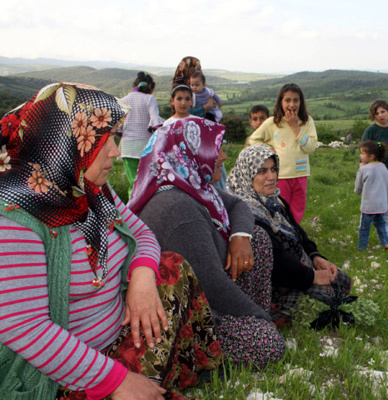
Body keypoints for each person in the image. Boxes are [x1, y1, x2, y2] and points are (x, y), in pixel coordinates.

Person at [0, 83, 222, 400]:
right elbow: (25, 327)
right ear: (67, 143)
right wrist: (117, 381)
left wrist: (142, 278)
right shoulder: (14, 218)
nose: (116, 152)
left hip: (119, 332)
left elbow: (143, 234)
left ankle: (178, 366)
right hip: (66, 372)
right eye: (105, 141)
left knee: (170, 265)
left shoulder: (88, 189)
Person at [128, 117, 285, 368]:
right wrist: (260, 317)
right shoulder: (178, 207)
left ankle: (253, 318)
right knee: (267, 344)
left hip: (210, 293)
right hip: (194, 315)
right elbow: (211, 286)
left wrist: (240, 237)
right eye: (215, 149)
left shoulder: (193, 186)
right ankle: (201, 360)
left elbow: (237, 204)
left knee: (258, 239)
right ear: (190, 153)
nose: (223, 157)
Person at [228, 146, 352, 326]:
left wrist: (315, 257)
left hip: (298, 268)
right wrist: (311, 277)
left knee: (343, 281)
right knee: (329, 301)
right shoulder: (245, 211)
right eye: (262, 171)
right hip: (277, 283)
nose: (271, 177)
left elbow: (299, 233)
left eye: (273, 169)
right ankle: (277, 315)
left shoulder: (276, 200)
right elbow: (275, 262)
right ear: (247, 174)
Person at [248, 83, 318, 224]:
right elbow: (253, 139)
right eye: (287, 100)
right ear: (280, 102)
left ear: (301, 102)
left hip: (300, 174)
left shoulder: (306, 121)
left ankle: (295, 234)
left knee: (297, 210)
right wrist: (267, 149)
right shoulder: (273, 122)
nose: (291, 104)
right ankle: (282, 235)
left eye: (295, 100)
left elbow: (310, 147)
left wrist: (294, 126)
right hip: (281, 175)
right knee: (280, 208)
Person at [361, 99, 388, 235]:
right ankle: (364, 236)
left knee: (386, 208)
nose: (380, 115)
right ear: (373, 116)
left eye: (383, 111)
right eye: (377, 113)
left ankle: (383, 238)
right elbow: (363, 153)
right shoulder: (371, 131)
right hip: (374, 177)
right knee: (370, 209)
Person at [119, 71, 164, 198]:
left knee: (133, 184)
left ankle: (132, 211)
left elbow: (117, 125)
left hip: (127, 148)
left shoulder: (123, 101)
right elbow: (155, 120)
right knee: (147, 183)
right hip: (145, 147)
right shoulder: (150, 99)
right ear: (150, 87)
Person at [354, 140, 388, 251]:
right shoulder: (383, 167)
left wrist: (360, 168)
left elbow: (357, 189)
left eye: (362, 153)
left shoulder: (364, 169)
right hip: (381, 205)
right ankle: (386, 243)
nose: (360, 155)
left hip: (369, 206)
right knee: (381, 225)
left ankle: (362, 248)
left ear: (371, 156)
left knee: (364, 229)